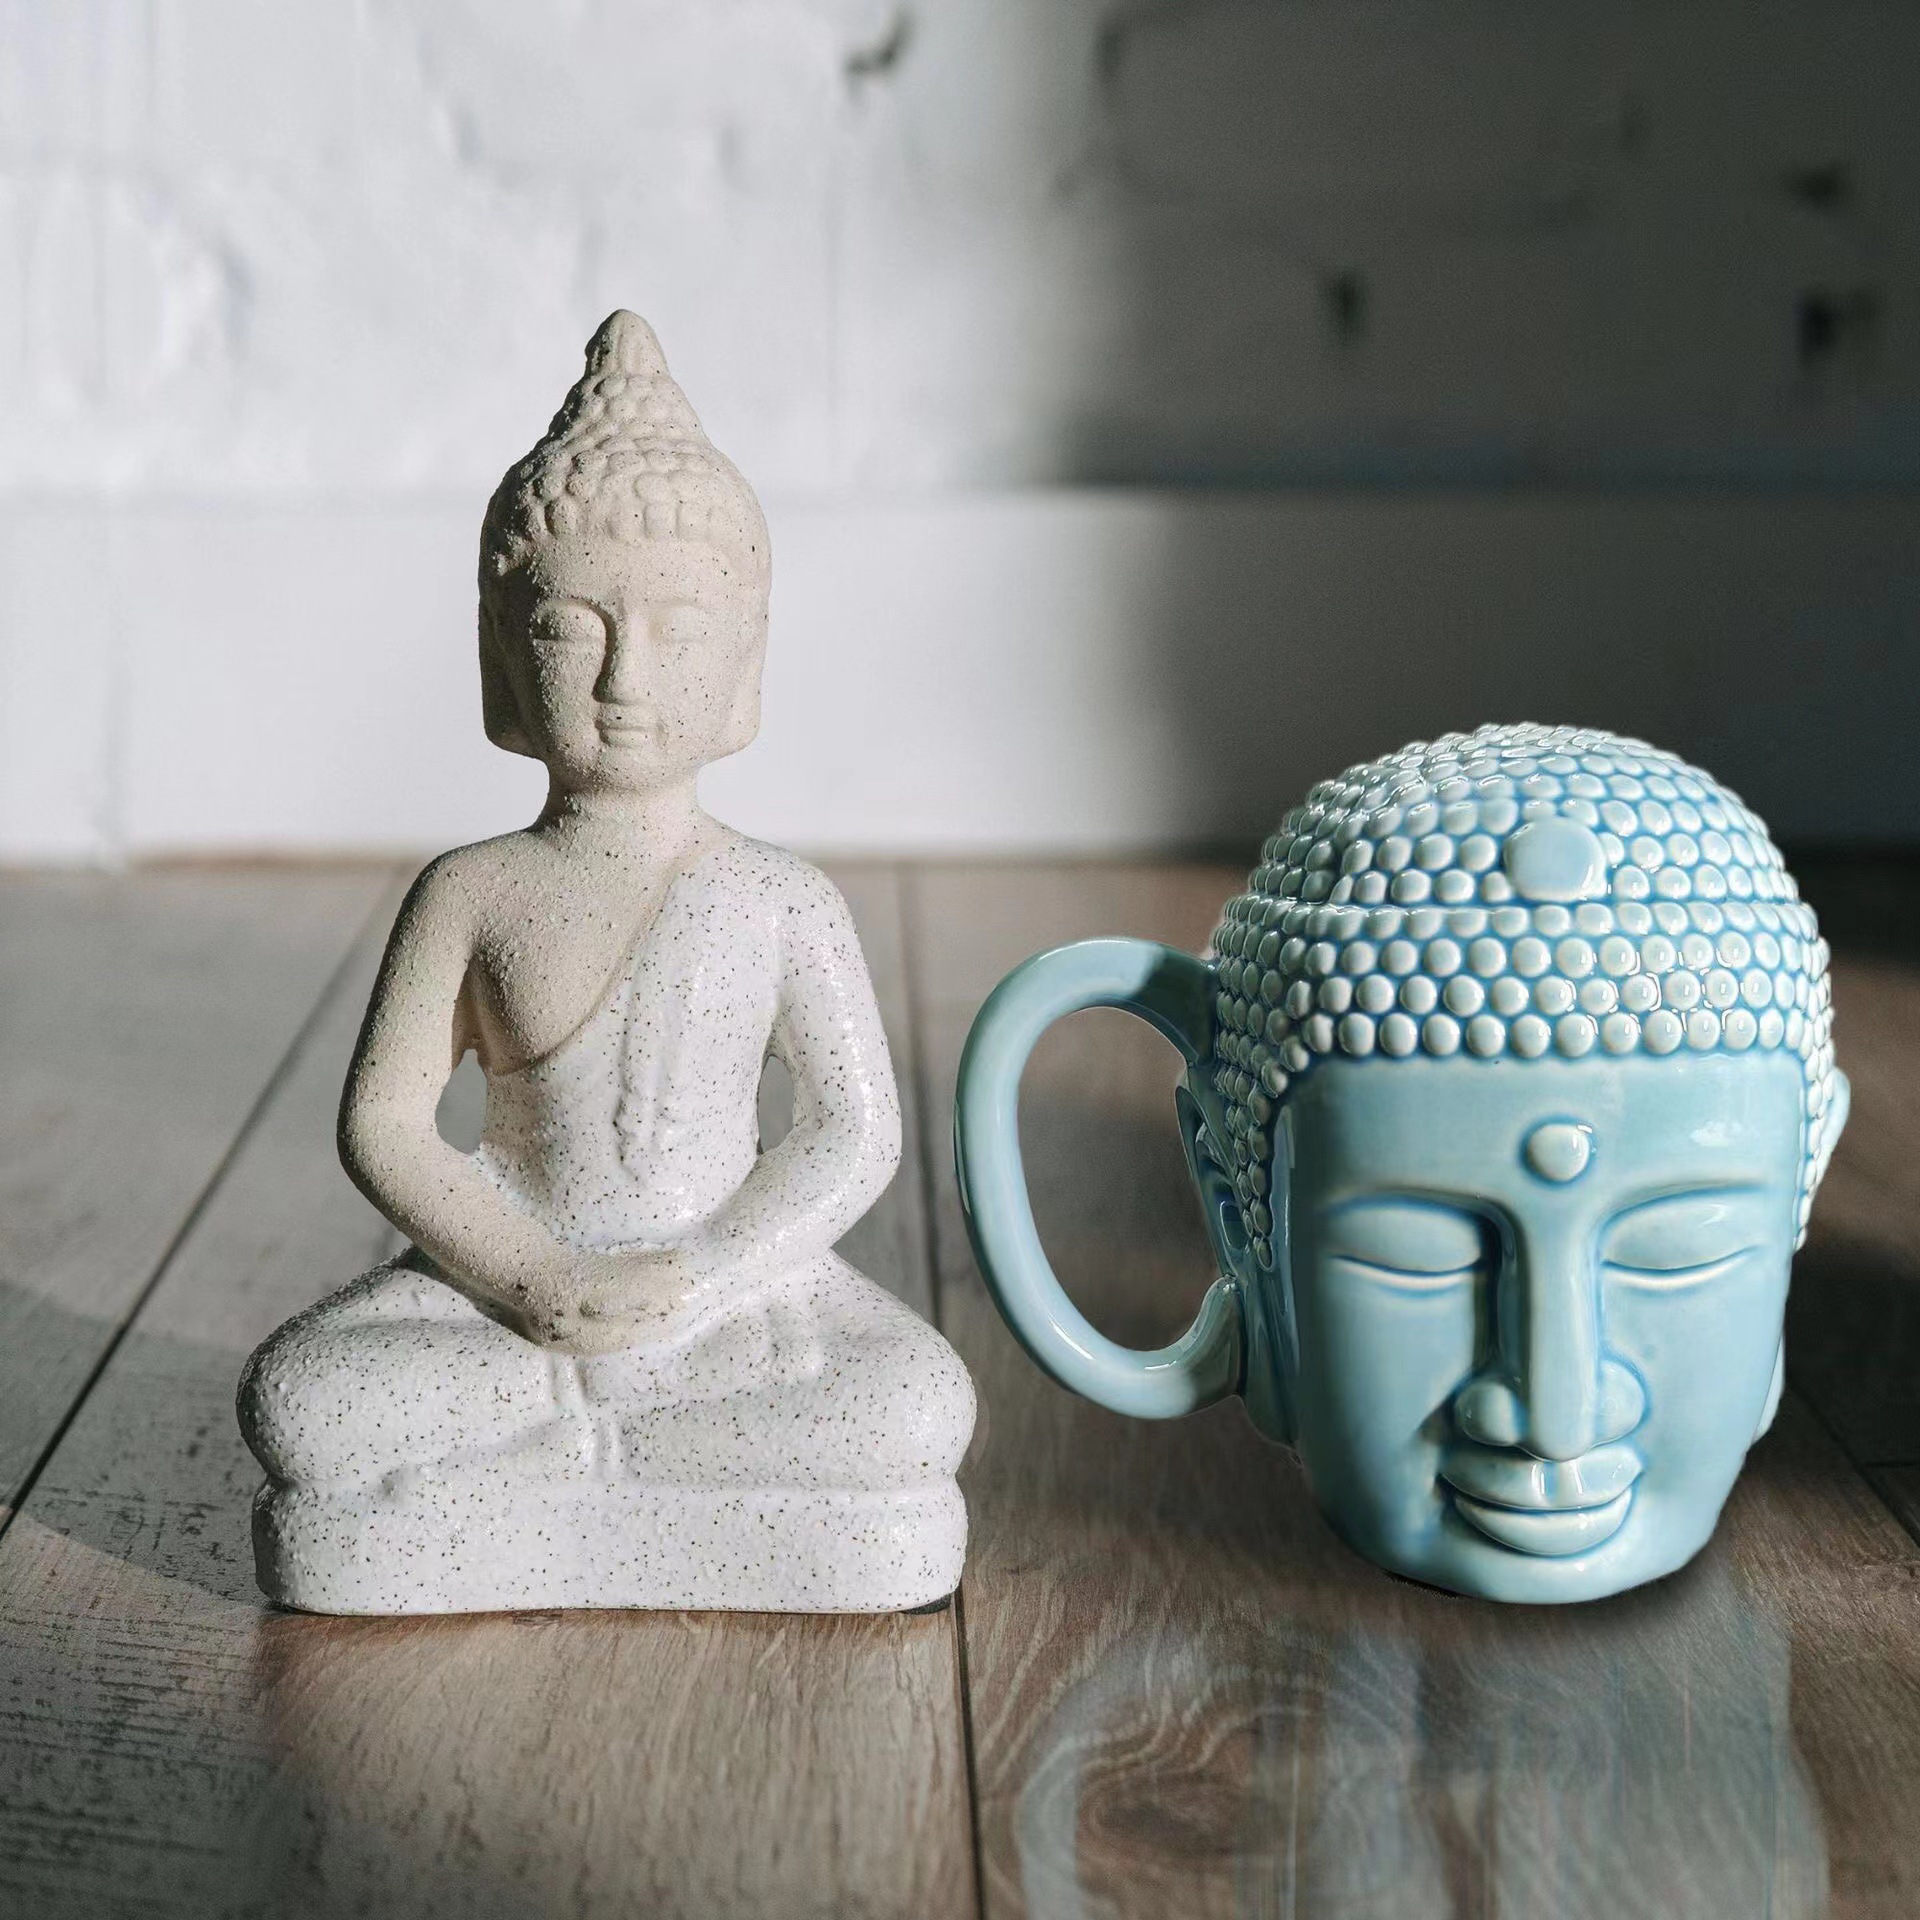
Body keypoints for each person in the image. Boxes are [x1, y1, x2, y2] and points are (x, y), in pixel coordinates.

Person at [239, 313, 974, 1614]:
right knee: (307, 1400)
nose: (627, 677)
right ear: (500, 656)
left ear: (747, 660)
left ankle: (554, 1468)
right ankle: (629, 1455)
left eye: (680, 630)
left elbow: (852, 1133)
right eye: (573, 629)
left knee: (913, 1405)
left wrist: (701, 1272)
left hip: (729, 1298)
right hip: (510, 1296)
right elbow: (386, 1126)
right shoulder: (470, 892)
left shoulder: (780, 900)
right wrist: (537, 1276)